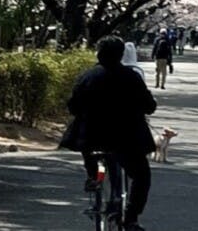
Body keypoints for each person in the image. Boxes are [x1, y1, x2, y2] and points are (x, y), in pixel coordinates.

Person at [61, 37, 156, 231]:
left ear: (98, 53)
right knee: (141, 176)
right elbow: (149, 106)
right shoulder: (131, 77)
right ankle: (130, 218)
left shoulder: (87, 76)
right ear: (121, 54)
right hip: (127, 140)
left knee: (90, 149)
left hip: (92, 137)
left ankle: (93, 176)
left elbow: (73, 107)